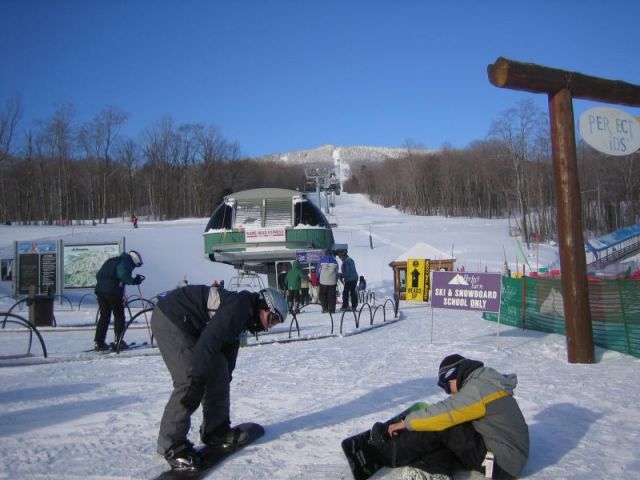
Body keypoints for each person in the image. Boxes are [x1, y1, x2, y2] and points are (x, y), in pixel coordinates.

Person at [151, 285, 288, 470]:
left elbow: (228, 350)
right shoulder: (239, 308)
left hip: (191, 324)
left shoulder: (243, 314)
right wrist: (197, 380)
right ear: (264, 306)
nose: (269, 326)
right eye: (271, 319)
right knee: (189, 380)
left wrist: (224, 378)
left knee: (219, 372)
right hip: (172, 318)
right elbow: (210, 342)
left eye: (275, 323)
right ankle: (171, 444)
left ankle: (215, 430)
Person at [367, 354, 529, 479]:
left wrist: (404, 424)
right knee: (453, 428)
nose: (448, 392)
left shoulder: (478, 389)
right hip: (506, 459)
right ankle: (436, 470)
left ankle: (391, 454)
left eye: (446, 385)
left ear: (454, 374)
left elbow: (444, 413)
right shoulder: (483, 381)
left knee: (446, 425)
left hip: (501, 465)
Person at [93, 250, 144, 351]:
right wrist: (134, 281)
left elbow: (98, 274)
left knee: (104, 316)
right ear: (134, 260)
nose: (133, 267)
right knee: (119, 316)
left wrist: (104, 284)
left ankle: (99, 342)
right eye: (135, 265)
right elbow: (122, 274)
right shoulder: (126, 262)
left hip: (100, 291)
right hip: (113, 291)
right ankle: (118, 341)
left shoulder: (112, 260)